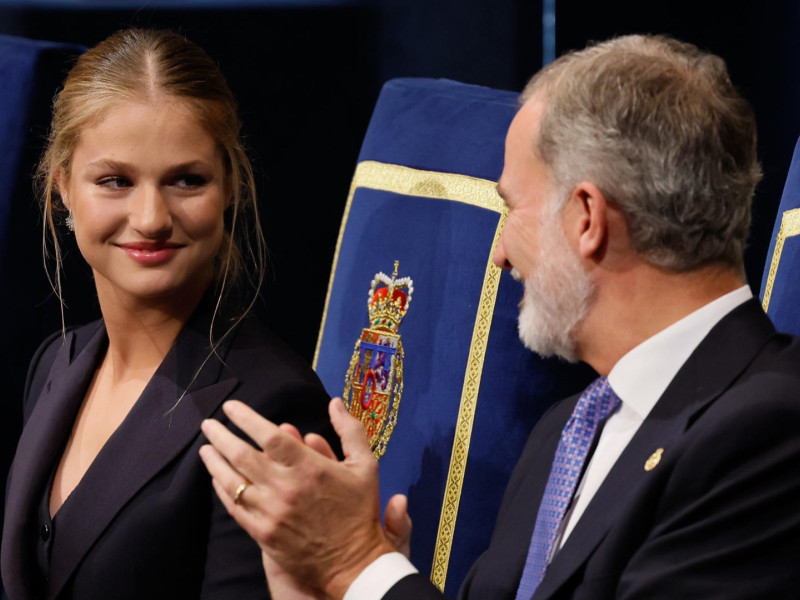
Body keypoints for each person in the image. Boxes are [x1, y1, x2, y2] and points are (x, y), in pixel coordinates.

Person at [199, 34, 800, 599]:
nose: (498, 254)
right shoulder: (565, 432)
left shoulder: (770, 431)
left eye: (511, 208)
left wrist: (358, 563)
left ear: (586, 218)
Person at [0, 28, 335, 600]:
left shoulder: (269, 409)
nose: (151, 217)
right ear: (62, 189)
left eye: (186, 180)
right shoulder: (56, 361)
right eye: (115, 181)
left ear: (229, 186)